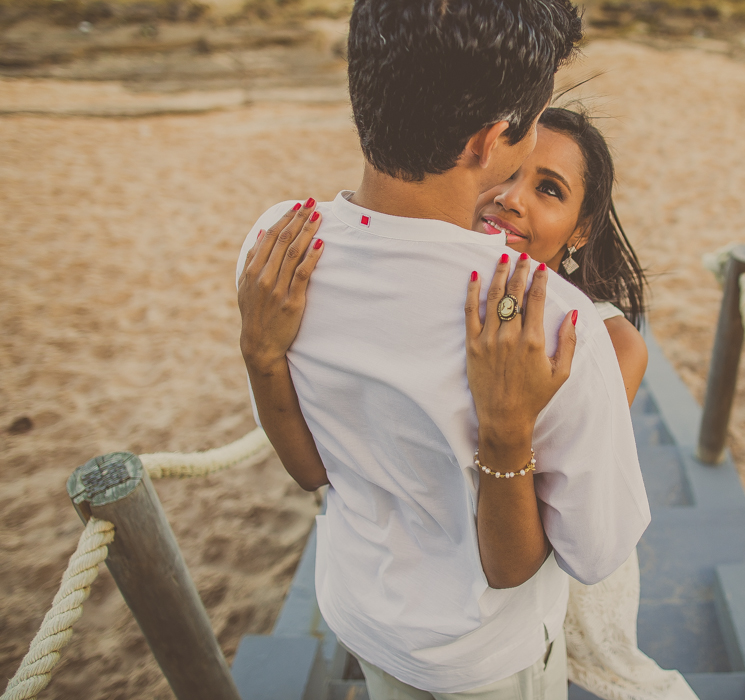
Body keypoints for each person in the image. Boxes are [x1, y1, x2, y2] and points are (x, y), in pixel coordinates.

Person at [235, 2, 650, 698]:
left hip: (360, 610)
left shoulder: (278, 243)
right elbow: (593, 551)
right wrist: (506, 432)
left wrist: (261, 355)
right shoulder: (554, 327)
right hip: (484, 656)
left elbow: (313, 473)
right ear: (491, 141)